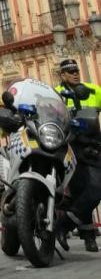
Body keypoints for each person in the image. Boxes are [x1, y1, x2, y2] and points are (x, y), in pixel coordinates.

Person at [55, 57, 101, 252]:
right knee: (81, 190)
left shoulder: (93, 90)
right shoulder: (55, 94)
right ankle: (88, 237)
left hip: (93, 146)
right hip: (70, 147)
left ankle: (64, 224)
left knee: (96, 188)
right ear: (62, 75)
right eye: (70, 71)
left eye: (76, 70)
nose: (75, 73)